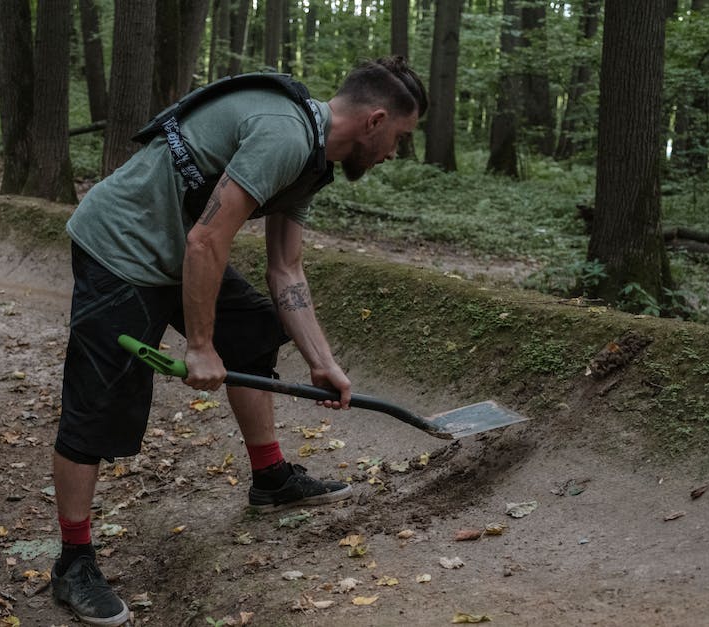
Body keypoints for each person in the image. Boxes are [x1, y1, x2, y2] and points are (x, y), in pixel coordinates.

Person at [51, 56, 427, 625]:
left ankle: (271, 477)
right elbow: (207, 241)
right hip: (121, 248)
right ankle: (73, 562)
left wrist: (322, 363)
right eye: (400, 138)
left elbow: (287, 271)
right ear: (375, 121)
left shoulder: (312, 159)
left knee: (252, 326)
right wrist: (200, 344)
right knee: (101, 402)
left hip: (178, 249)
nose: (395, 153)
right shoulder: (283, 136)